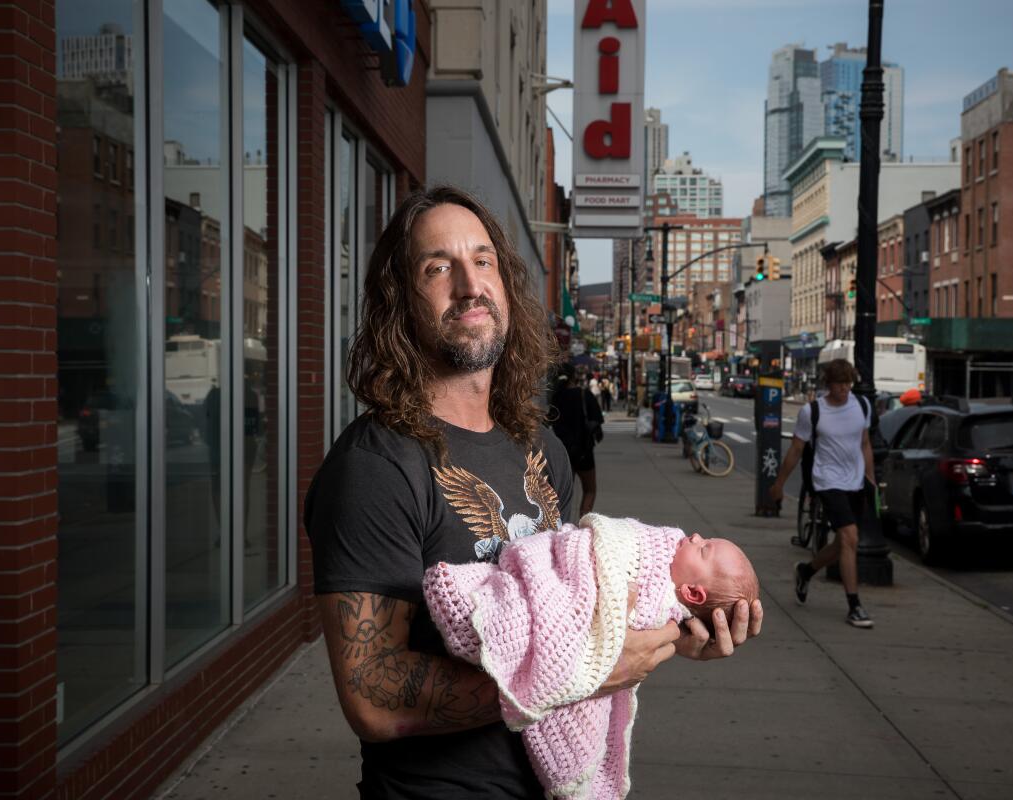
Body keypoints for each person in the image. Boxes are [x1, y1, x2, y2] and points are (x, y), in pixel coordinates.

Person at [305, 185, 763, 799]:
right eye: (438, 267)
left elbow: (580, 614)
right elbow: (373, 696)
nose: (470, 284)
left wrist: (678, 630)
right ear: (399, 303)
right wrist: (588, 672)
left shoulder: (541, 450)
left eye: (483, 260)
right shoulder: (376, 464)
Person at [423, 515, 759, 799]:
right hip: (445, 783)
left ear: (692, 593)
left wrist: (668, 639)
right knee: (514, 616)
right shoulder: (657, 545)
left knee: (570, 691)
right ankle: (484, 612)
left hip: (509, 772)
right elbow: (593, 548)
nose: (696, 536)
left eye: (704, 549)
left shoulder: (663, 605)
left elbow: (615, 629)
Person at [769, 359, 876, 628]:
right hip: (827, 481)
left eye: (848, 383)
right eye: (839, 384)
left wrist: (871, 480)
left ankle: (806, 571)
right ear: (828, 384)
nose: (844, 389)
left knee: (843, 544)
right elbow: (795, 450)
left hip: (856, 482)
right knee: (850, 537)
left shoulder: (862, 405)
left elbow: (865, 444)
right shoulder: (812, 411)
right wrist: (779, 484)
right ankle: (855, 606)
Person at [550, 368, 604, 518]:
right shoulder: (584, 394)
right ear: (574, 378)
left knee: (562, 493)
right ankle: (582, 526)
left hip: (562, 452)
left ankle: (561, 525)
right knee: (590, 490)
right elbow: (598, 419)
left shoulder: (556, 398)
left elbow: (549, 422)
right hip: (583, 451)